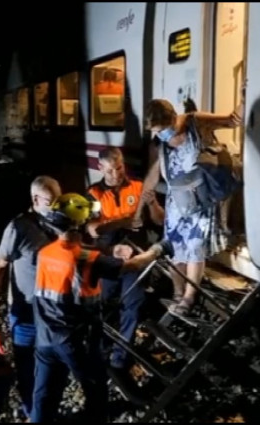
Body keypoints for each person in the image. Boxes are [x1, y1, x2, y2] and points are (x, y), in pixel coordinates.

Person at [30, 193, 173, 423]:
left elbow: (73, 251)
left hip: (45, 336)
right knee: (95, 390)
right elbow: (133, 264)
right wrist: (159, 249)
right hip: (76, 340)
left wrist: (110, 251)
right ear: (79, 225)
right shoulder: (86, 258)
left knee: (44, 394)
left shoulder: (45, 253)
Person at [137, 98, 242, 317]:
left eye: (163, 129)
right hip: (177, 200)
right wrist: (140, 210)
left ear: (173, 118)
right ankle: (177, 293)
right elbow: (153, 175)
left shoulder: (196, 122)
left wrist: (243, 98)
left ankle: (189, 297)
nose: (160, 134)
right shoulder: (158, 142)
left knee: (195, 246)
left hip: (202, 199)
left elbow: (233, 121)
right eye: (155, 131)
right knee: (176, 249)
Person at [0, 175, 62, 420]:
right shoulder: (18, 228)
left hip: (55, 311)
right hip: (26, 312)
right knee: (28, 370)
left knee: (55, 368)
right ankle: (34, 413)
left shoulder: (64, 222)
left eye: (59, 198)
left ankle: (47, 411)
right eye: (51, 201)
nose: (57, 205)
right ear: (35, 199)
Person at [85, 147, 164, 377]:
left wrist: (152, 205)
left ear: (123, 164)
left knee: (133, 305)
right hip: (108, 258)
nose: (116, 174)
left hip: (136, 257)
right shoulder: (94, 193)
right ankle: (101, 353)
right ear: (100, 168)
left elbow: (159, 221)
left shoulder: (139, 187)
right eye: (110, 170)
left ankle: (121, 358)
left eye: (118, 168)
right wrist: (122, 222)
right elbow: (93, 230)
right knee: (105, 307)